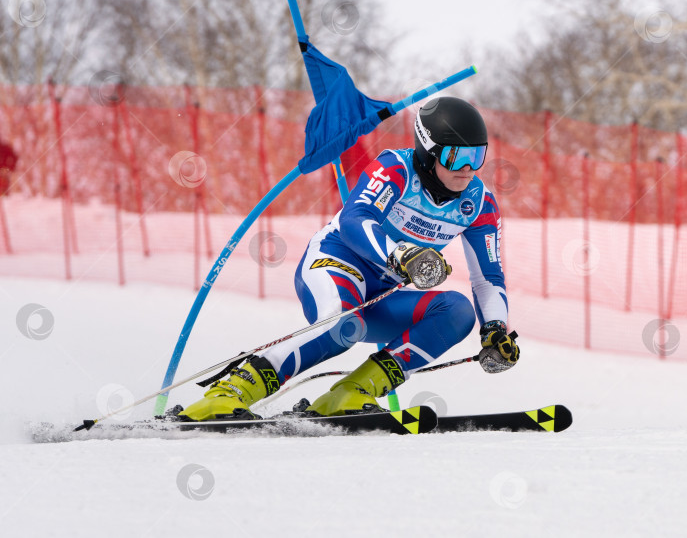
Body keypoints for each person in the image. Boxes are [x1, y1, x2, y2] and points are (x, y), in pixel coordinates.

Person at [179, 96, 520, 421]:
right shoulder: (395, 169)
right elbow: (354, 220)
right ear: (428, 152)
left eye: (477, 157)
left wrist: (494, 329)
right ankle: (231, 390)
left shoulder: (479, 204)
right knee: (343, 323)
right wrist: (401, 254)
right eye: (456, 157)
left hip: (383, 295)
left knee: (458, 311)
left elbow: (488, 277)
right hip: (336, 263)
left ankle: (351, 392)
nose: (467, 170)